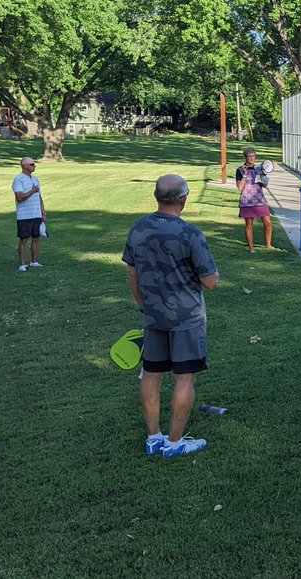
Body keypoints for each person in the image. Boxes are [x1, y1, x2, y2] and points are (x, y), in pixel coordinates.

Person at [123, 175, 219, 458]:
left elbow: (131, 272)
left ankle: (153, 437)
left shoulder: (138, 228)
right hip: (186, 319)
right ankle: (175, 443)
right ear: (183, 199)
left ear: (156, 197)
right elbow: (211, 282)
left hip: (153, 317)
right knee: (184, 379)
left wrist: (143, 305)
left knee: (151, 375)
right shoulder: (190, 234)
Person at [235, 147, 273, 252]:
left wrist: (264, 175)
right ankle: (251, 248)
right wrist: (244, 175)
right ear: (245, 157)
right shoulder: (240, 170)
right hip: (247, 201)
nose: (252, 158)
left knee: (268, 223)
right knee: (249, 225)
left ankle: (269, 245)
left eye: (253, 156)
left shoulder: (259, 168)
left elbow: (264, 185)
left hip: (260, 199)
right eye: (249, 156)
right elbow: (240, 188)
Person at [12, 157, 46, 272]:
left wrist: (43, 211)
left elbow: (39, 197)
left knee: (36, 238)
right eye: (32, 164)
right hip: (24, 216)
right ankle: (22, 264)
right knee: (23, 239)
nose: (34, 166)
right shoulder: (18, 179)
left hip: (36, 214)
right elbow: (19, 197)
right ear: (25, 166)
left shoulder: (35, 179)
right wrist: (32, 191)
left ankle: (34, 261)